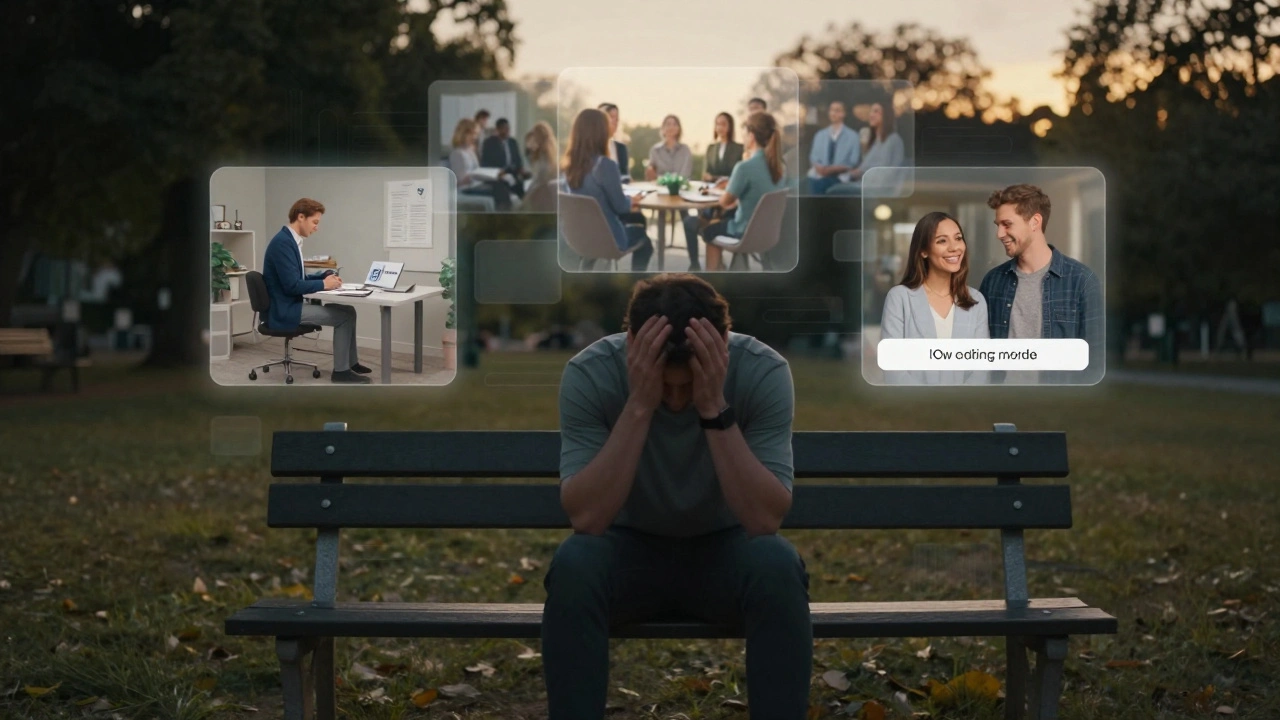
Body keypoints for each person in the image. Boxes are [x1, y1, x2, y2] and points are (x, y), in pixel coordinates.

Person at [543, 273, 812, 720]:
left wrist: (712, 406)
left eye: (686, 386)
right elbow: (588, 518)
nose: (674, 400)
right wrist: (640, 404)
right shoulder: (590, 373)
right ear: (631, 341)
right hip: (627, 550)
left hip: (724, 552)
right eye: (665, 385)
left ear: (722, 344)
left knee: (777, 565)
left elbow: (765, 521)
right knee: (575, 564)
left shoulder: (763, 370)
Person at [978, 184, 1104, 383]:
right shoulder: (993, 282)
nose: (999, 234)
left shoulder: (1082, 282)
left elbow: (1094, 365)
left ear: (1035, 222)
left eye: (1007, 224)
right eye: (997, 225)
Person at [261, 198, 371, 384]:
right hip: (284, 310)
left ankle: (351, 363)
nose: (316, 227)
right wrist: (324, 284)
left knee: (349, 311)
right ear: (301, 217)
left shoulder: (291, 241)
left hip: (289, 304)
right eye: (315, 222)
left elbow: (299, 278)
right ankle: (341, 372)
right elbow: (292, 286)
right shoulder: (282, 243)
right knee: (343, 317)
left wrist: (324, 276)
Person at [880, 212, 989, 384]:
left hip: (963, 407)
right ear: (923, 251)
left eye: (958, 238)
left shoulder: (976, 300)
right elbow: (893, 369)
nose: (954, 247)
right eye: (942, 241)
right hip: (915, 407)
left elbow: (981, 369)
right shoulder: (899, 298)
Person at [682, 112, 786, 271]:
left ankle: (714, 278)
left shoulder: (745, 167)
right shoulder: (780, 168)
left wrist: (729, 191)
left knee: (709, 231)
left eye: (745, 133)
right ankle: (722, 269)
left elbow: (724, 202)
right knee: (715, 223)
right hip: (768, 234)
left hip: (742, 231)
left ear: (751, 136)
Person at [562, 108, 653, 271]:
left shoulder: (569, 165)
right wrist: (632, 200)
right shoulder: (605, 165)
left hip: (581, 238)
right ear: (600, 132)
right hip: (608, 239)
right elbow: (620, 207)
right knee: (645, 241)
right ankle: (635, 285)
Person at [825, 101, 905, 195]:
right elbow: (864, 168)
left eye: (876, 111)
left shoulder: (893, 140)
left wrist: (858, 174)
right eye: (871, 111)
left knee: (830, 189)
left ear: (886, 115)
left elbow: (885, 171)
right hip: (863, 183)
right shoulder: (876, 141)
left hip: (874, 188)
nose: (871, 114)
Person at [449, 118, 512, 210]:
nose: (475, 137)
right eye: (473, 134)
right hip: (466, 188)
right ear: (464, 133)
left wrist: (491, 174)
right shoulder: (457, 153)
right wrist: (474, 176)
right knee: (499, 191)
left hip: (477, 184)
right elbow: (460, 181)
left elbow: (477, 169)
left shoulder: (470, 151)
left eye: (476, 134)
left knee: (502, 184)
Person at [806, 100, 860, 195]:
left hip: (840, 177)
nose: (833, 113)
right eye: (831, 110)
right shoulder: (820, 135)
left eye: (837, 110)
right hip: (818, 175)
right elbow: (813, 157)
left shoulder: (853, 136)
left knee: (824, 187)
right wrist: (821, 169)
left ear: (843, 114)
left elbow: (853, 161)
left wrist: (833, 169)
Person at [481, 117, 529, 199]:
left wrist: (521, 169)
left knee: (523, 184)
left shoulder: (512, 142)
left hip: (512, 172)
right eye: (504, 128)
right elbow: (485, 163)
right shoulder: (489, 143)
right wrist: (498, 172)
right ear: (498, 130)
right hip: (498, 175)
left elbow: (518, 160)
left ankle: (525, 206)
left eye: (508, 128)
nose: (507, 131)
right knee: (504, 187)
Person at [521, 121, 559, 211]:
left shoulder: (547, 154)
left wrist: (527, 196)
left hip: (544, 191)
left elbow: (541, 177)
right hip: (543, 190)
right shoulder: (541, 152)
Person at [644, 114, 693, 182]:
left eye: (675, 124)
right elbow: (652, 176)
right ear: (663, 128)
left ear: (679, 129)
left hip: (681, 189)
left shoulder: (685, 150)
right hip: (660, 188)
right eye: (668, 124)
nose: (671, 127)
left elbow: (685, 175)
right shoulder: (655, 150)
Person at [703, 111, 744, 184]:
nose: (720, 127)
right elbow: (706, 175)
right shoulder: (711, 148)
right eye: (717, 124)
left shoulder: (739, 149)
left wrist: (714, 178)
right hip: (711, 188)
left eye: (723, 124)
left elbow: (738, 175)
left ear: (730, 126)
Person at [597, 103, 631, 183]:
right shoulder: (589, 147)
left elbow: (625, 176)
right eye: (611, 117)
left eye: (617, 119)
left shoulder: (621, 148)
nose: (615, 122)